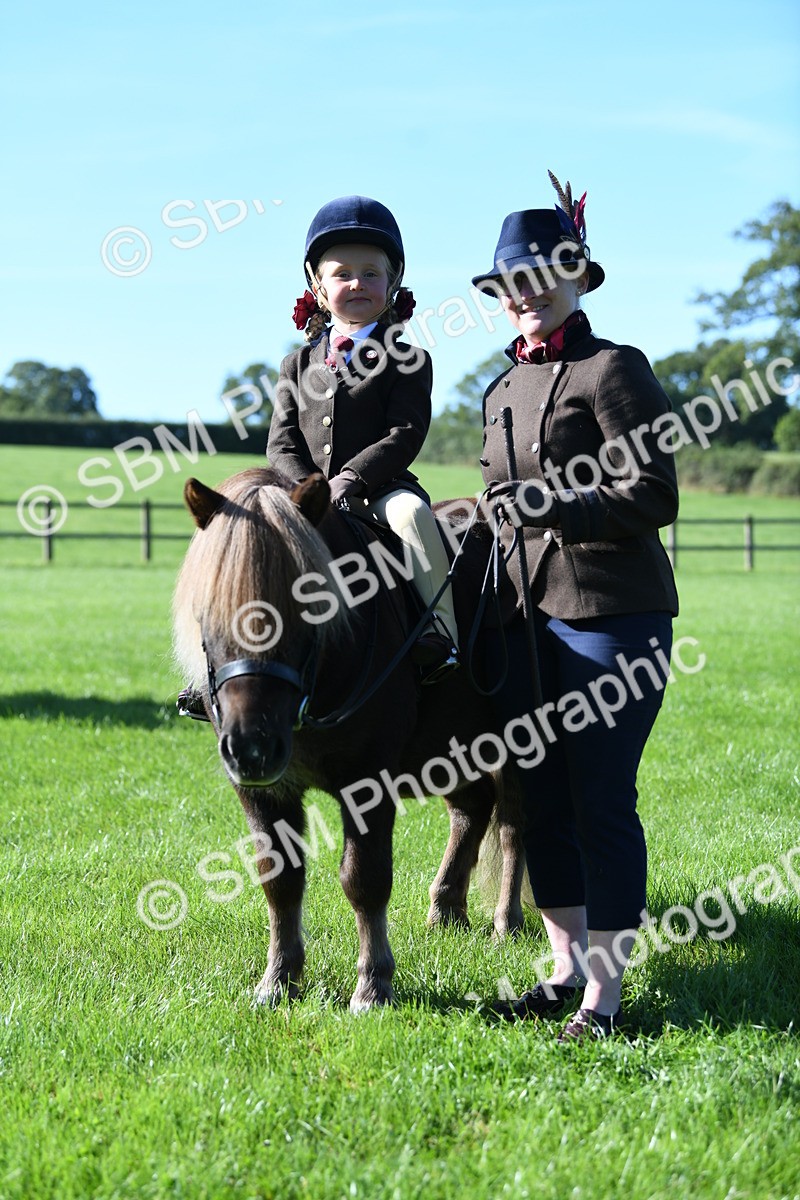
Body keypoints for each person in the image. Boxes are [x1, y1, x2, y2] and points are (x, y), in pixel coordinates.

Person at [473, 171, 679, 1040]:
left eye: (542, 276)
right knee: (540, 796)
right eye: (512, 282)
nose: (527, 294)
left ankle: (608, 996)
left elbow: (655, 492)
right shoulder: (495, 390)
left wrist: (557, 506)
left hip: (611, 617)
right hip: (523, 622)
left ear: (576, 277)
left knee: (599, 798)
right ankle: (561, 970)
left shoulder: (614, 368)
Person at [267, 194, 458, 680]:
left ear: (392, 283)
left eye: (371, 273)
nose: (357, 284)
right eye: (342, 274)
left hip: (379, 492)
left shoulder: (409, 358)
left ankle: (442, 631)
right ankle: (229, 656)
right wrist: (307, 490)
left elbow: (404, 434)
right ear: (317, 284)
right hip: (301, 492)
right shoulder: (295, 364)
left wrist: (350, 480)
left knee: (415, 517)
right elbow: (281, 443)